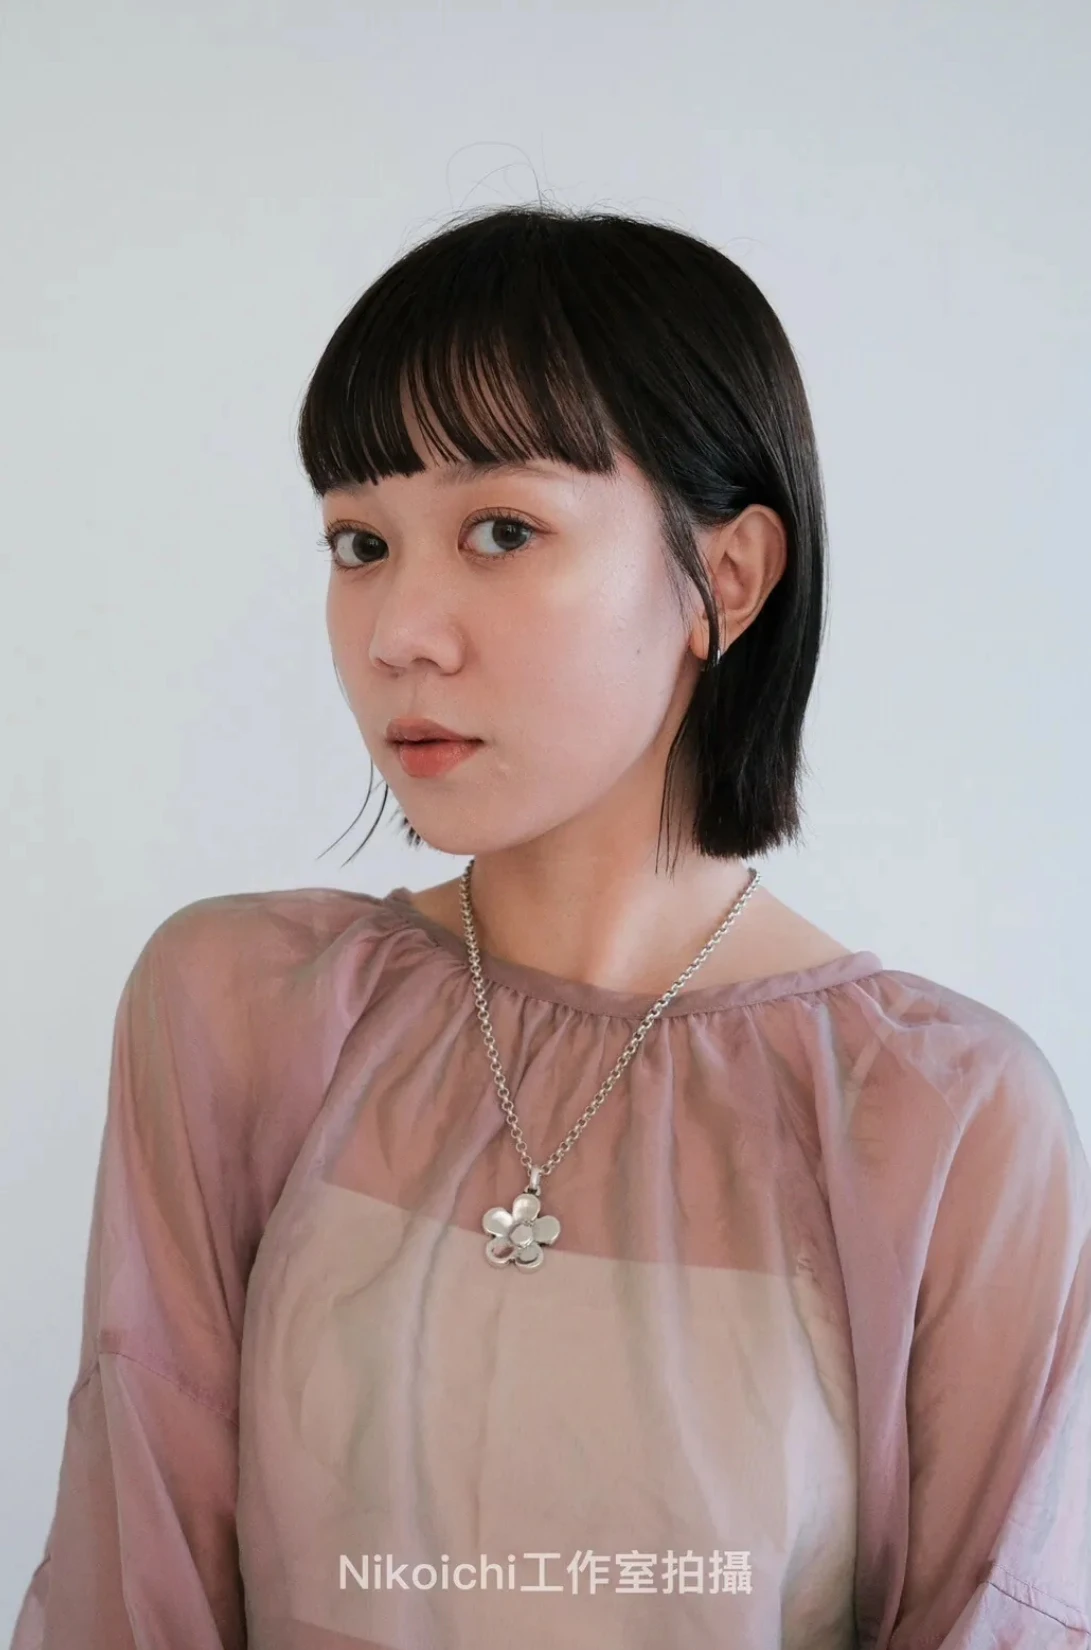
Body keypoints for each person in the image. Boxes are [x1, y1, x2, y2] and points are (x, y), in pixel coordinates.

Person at [10, 203, 1090, 1650]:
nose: (398, 629)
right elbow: (130, 1584)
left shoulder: (942, 1123)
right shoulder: (241, 1012)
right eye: (358, 542)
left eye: (501, 531)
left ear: (725, 578)